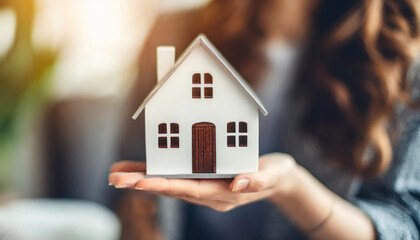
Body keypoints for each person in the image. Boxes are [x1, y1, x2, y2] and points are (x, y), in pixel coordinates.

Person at [109, 0, 420, 239]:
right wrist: (140, 220)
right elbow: (134, 166)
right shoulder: (171, 33)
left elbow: (405, 225)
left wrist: (294, 190)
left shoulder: (403, 68)